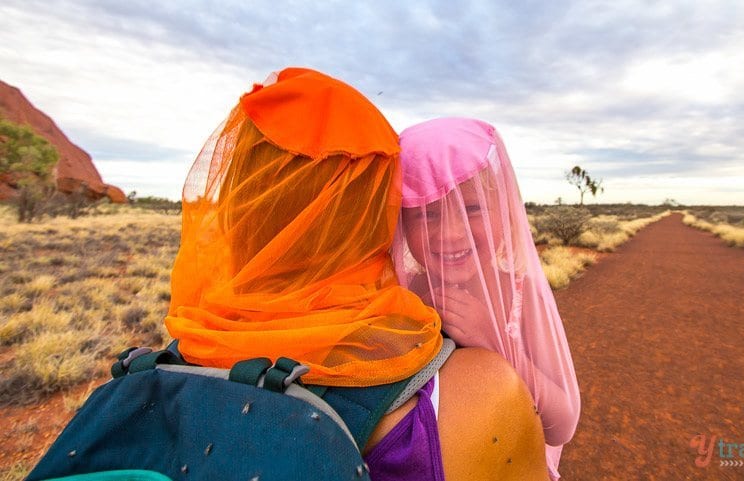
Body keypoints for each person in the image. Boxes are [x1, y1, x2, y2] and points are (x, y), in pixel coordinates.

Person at [165, 69, 549, 480]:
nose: (447, 230)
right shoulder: (478, 392)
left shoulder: (180, 351)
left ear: (239, 202)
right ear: (376, 211)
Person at [392, 117, 581, 480]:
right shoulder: (402, 296)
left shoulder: (520, 297)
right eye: (427, 214)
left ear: (504, 212)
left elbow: (563, 425)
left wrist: (494, 342)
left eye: (473, 209)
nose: (450, 232)